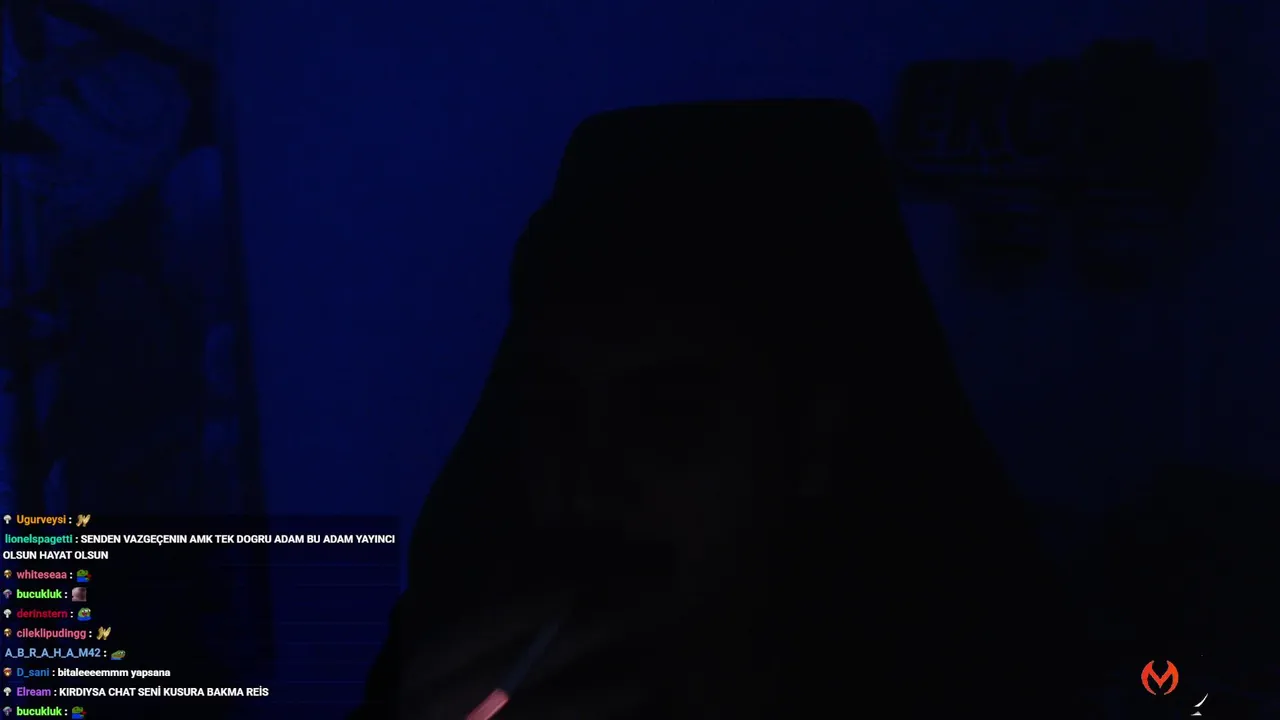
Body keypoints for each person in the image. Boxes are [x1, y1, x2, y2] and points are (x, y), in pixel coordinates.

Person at [350, 100, 1084, 718]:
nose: (585, 483)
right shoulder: (454, 664)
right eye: (552, 412)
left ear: (810, 441)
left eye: (666, 417)